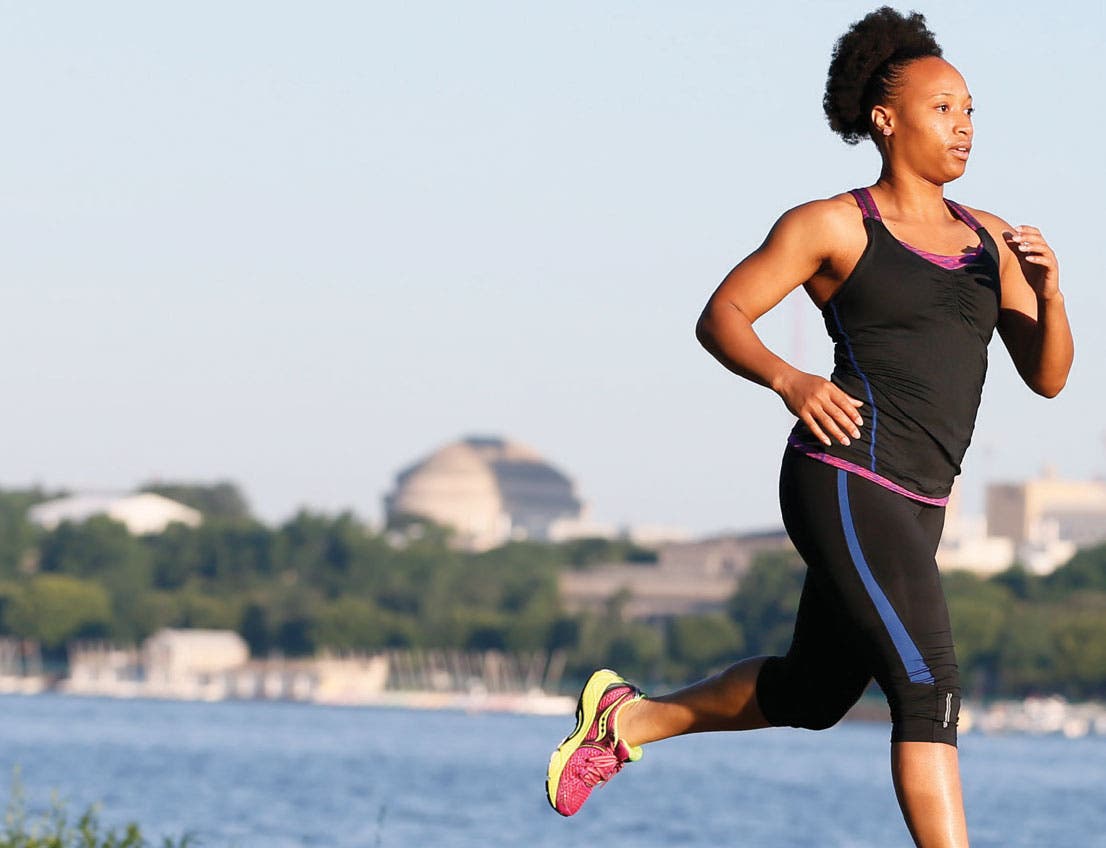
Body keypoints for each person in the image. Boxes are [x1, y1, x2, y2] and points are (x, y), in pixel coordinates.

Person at [544, 7, 1074, 847]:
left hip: (921, 499)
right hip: (846, 475)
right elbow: (723, 316)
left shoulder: (994, 240)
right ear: (886, 118)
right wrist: (790, 381)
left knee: (814, 695)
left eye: (972, 109)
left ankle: (628, 720)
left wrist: (1049, 291)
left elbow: (1048, 377)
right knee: (927, 687)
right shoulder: (832, 224)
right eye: (944, 108)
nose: (964, 126)